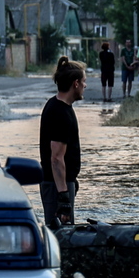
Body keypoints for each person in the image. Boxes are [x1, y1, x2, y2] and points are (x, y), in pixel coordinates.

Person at [39, 56, 86, 229]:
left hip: (61, 183)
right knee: (60, 235)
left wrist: (71, 179)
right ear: (75, 84)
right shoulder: (60, 113)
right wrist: (63, 196)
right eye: (83, 81)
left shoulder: (59, 106)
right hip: (56, 186)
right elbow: (56, 159)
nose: (85, 86)